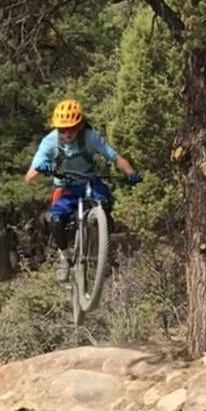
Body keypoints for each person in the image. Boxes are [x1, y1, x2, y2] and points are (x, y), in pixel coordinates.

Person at [25, 99, 142, 281]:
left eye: (71, 128)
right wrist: (41, 168)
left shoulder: (90, 137)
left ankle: (101, 249)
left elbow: (115, 158)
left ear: (79, 126)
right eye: (62, 129)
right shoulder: (50, 142)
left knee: (104, 202)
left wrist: (131, 173)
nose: (66, 133)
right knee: (56, 220)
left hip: (89, 182)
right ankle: (65, 257)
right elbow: (29, 177)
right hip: (65, 187)